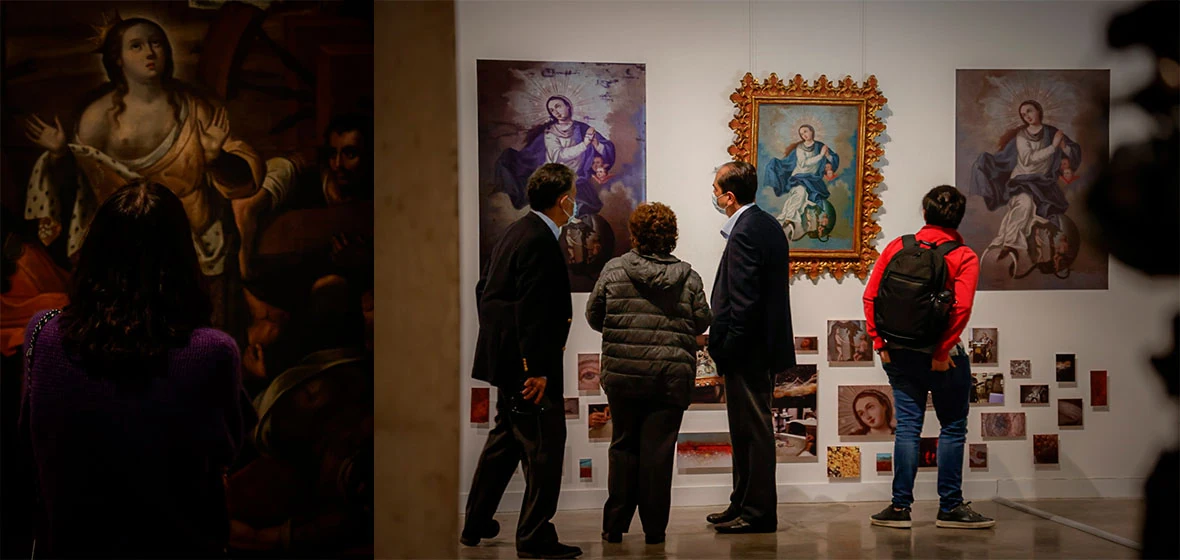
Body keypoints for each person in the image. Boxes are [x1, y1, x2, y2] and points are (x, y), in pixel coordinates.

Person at [19, 180, 253, 557]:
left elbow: (29, 443)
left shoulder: (42, 334)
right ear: (182, 261)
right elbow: (227, 451)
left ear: (93, 253)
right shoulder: (213, 352)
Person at [23, 15, 263, 334]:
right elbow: (82, 191)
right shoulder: (97, 119)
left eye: (156, 43)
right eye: (137, 46)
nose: (150, 52)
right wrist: (59, 156)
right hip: (126, 252)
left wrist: (216, 157)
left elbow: (244, 182)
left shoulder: (194, 108)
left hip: (195, 247)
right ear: (117, 59)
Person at [462, 163, 581, 559]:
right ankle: (534, 536)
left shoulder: (515, 232)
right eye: (573, 195)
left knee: (505, 443)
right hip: (530, 368)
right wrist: (536, 369)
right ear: (563, 200)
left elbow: (487, 292)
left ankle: (475, 522)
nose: (575, 202)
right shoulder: (539, 240)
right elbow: (533, 311)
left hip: (507, 361)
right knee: (544, 449)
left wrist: (510, 357)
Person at [863, 185, 995, 529]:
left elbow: (871, 296)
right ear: (960, 217)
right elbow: (961, 308)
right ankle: (950, 507)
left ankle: (899, 509)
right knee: (952, 427)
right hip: (944, 357)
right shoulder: (964, 255)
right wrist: (940, 352)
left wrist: (880, 344)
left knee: (907, 427)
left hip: (900, 353)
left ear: (925, 213)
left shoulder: (899, 246)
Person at [586, 202, 712, 545]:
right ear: (671, 236)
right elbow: (702, 321)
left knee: (623, 446)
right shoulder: (688, 276)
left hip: (624, 374)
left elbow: (595, 316)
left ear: (635, 234)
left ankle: (614, 526)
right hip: (670, 377)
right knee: (658, 452)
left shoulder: (613, 270)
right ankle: (654, 530)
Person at [705, 161, 795, 534]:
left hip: (748, 351)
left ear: (729, 196)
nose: (712, 195)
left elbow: (743, 302)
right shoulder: (764, 224)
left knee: (753, 432)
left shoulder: (745, 231)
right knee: (744, 431)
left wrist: (724, 349)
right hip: (758, 348)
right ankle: (741, 502)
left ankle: (757, 512)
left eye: (715, 188)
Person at [494, 95, 615, 217]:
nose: (556, 112)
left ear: (568, 106)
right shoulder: (550, 132)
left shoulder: (582, 128)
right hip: (555, 179)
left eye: (558, 106)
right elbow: (559, 155)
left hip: (578, 179)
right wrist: (584, 145)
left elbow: (606, 149)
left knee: (584, 210)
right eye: (552, 110)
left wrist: (597, 144)